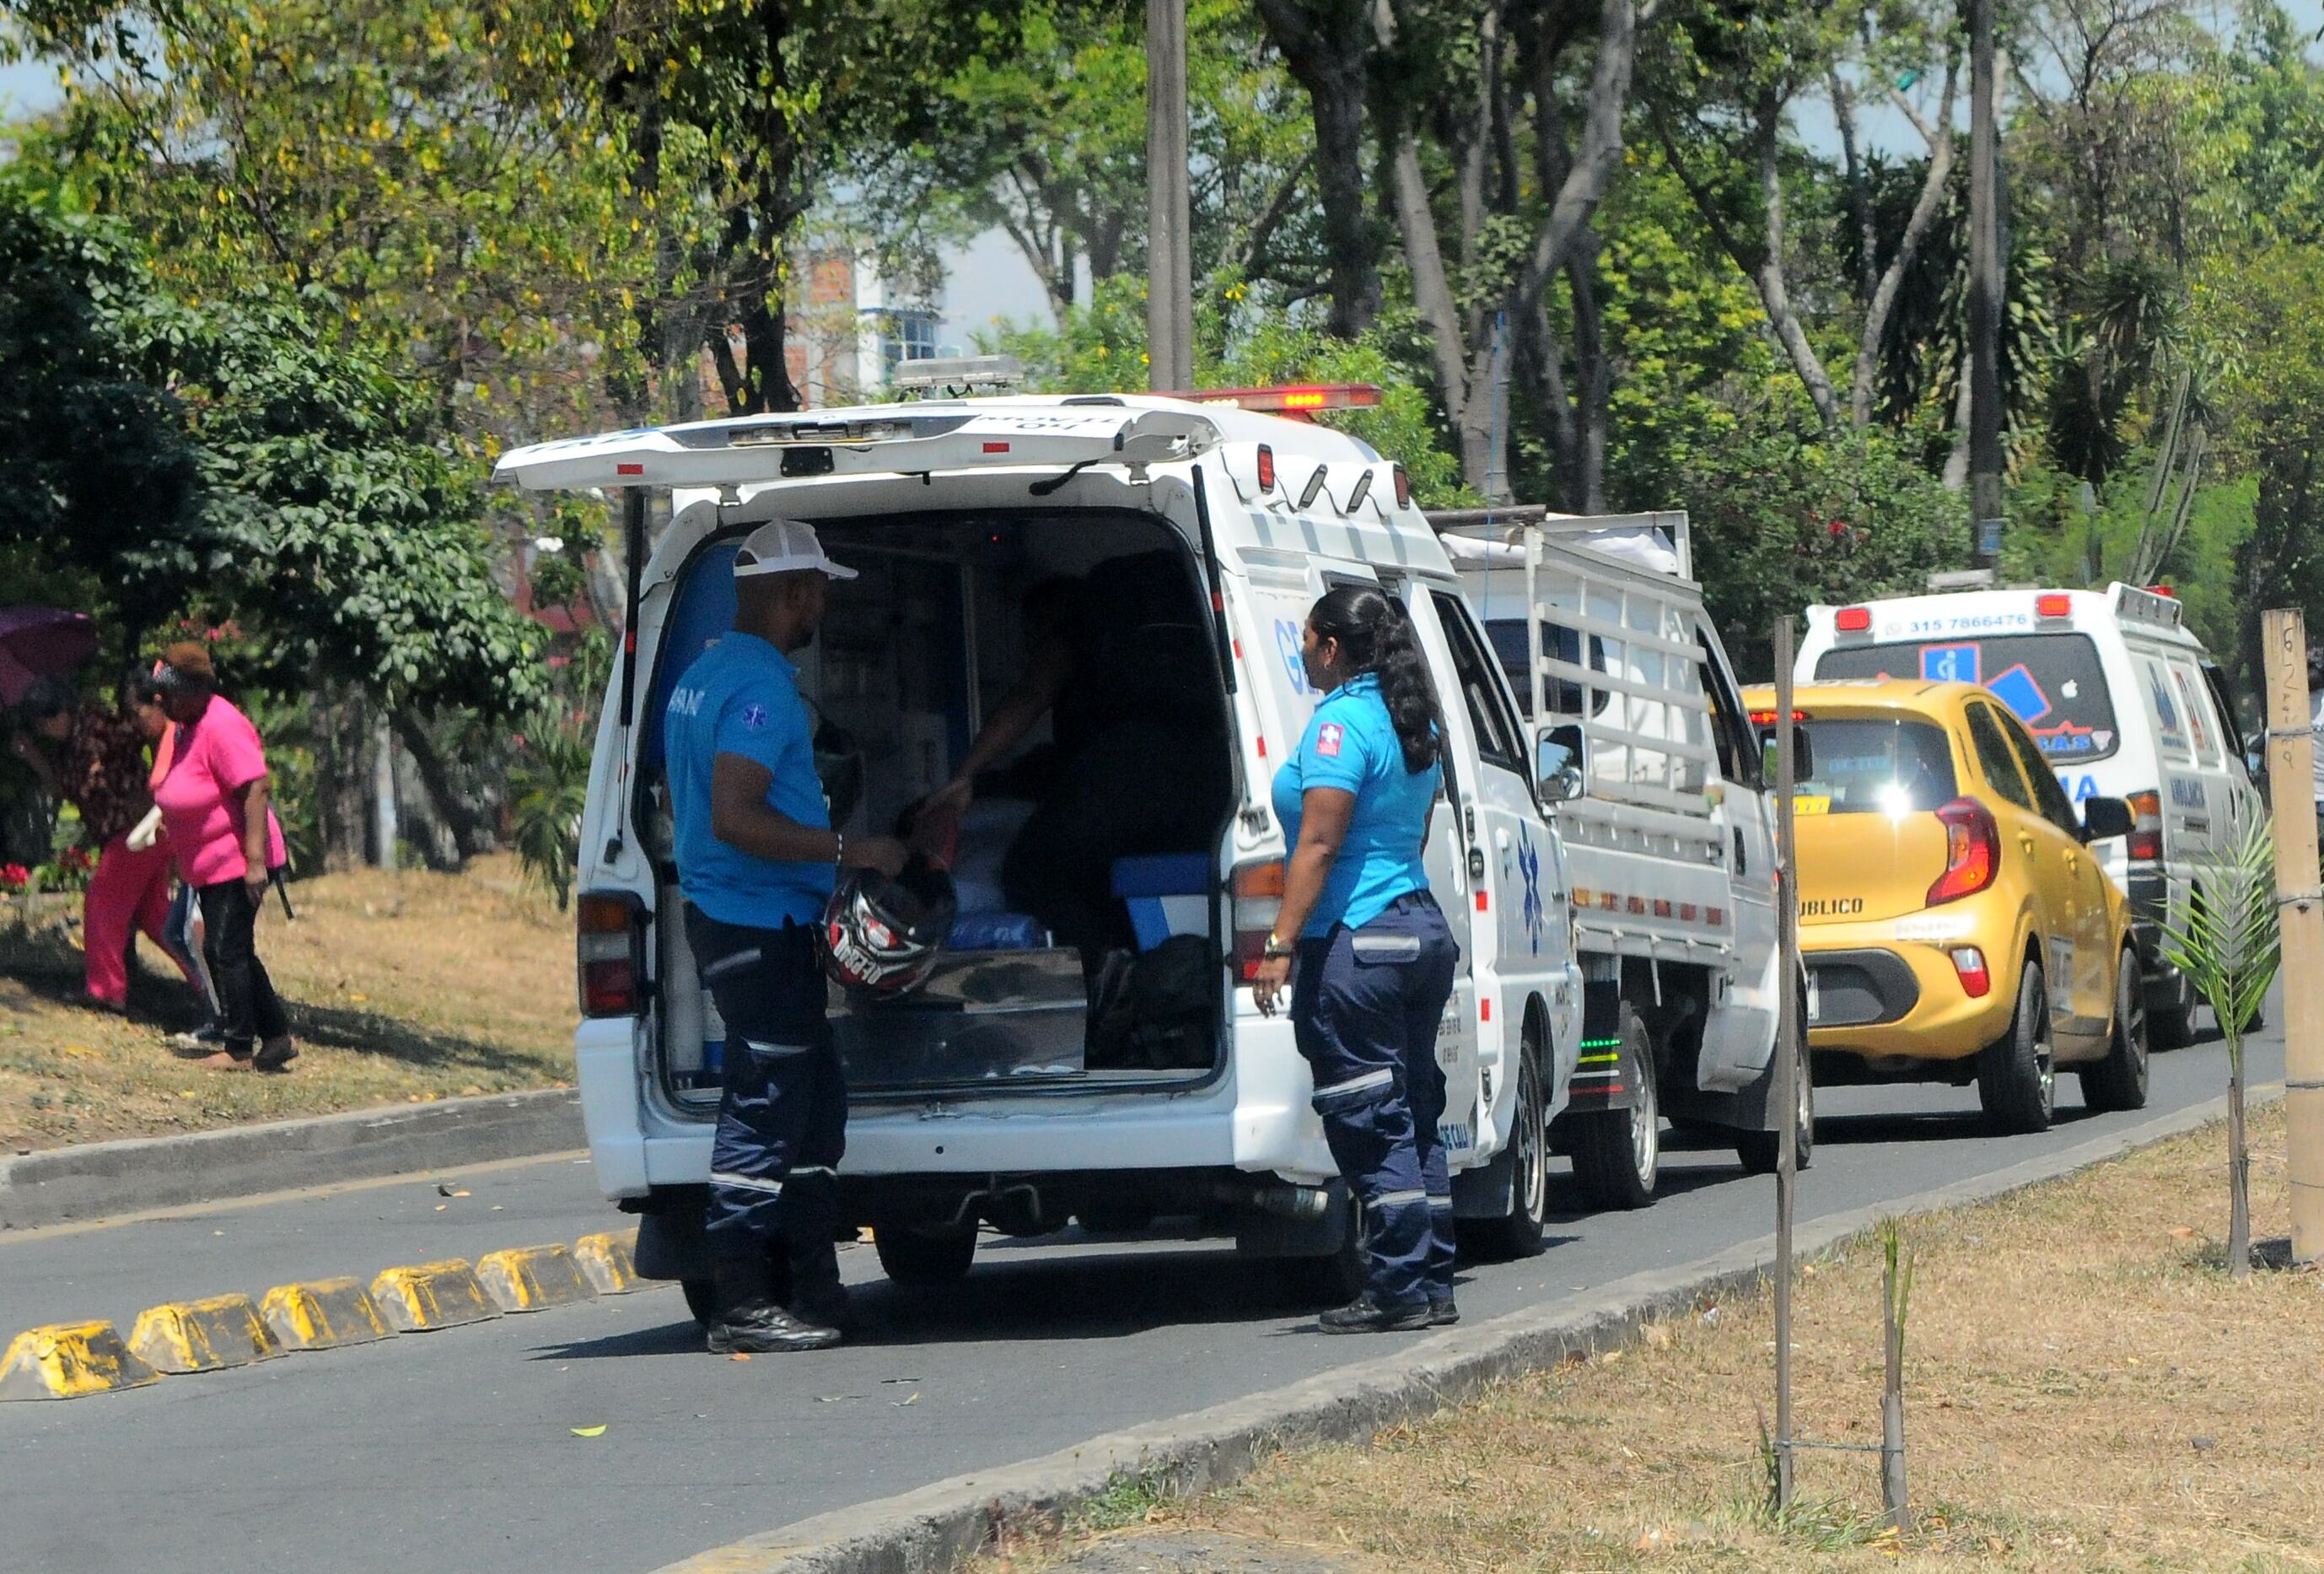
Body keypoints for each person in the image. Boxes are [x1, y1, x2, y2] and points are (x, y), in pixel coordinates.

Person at [665, 519, 907, 1355]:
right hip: (755, 922)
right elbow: (735, 816)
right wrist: (847, 850)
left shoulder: (703, 674)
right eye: (820, 593)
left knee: (811, 1105)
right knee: (767, 1105)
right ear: (796, 592)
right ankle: (740, 1298)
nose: (823, 609)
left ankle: (816, 1288)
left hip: (745, 916)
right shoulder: (762, 690)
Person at [1248, 585, 1461, 1334]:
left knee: (1369, 1119)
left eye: (1308, 641)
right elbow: (1416, 832)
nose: (1304, 654)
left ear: (1332, 647)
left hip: (1358, 940)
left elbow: (1319, 843)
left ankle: (1398, 1290)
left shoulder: (1339, 725)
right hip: (1418, 929)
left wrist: (1279, 944)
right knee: (1413, 1111)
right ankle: (1433, 1283)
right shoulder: (1413, 720)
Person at [925, 553, 1231, 962]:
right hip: (1212, 777)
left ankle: (1094, 975)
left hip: (1128, 768)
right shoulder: (1187, 624)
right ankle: (1140, 967)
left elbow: (1031, 695)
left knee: (1033, 869)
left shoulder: (1089, 615)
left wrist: (964, 778)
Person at [8, 676, 202, 1015]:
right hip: (131, 833)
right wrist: (33, 758)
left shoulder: (98, 724)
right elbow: (63, 788)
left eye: (46, 721)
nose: (45, 729)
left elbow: (144, 733)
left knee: (101, 903)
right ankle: (213, 981)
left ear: (62, 711)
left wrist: (156, 788)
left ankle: (106, 989)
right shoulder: (68, 745)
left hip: (133, 829)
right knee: (156, 916)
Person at [148, 644, 296, 1073]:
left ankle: (238, 1048)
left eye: (169, 692)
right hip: (210, 865)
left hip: (238, 860)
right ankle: (277, 1038)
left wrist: (255, 862)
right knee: (234, 950)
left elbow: (255, 789)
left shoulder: (221, 724)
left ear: (196, 688)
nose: (161, 700)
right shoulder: (185, 727)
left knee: (223, 951)